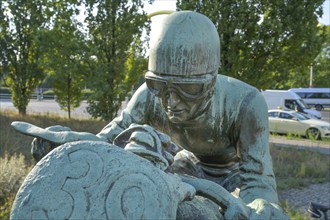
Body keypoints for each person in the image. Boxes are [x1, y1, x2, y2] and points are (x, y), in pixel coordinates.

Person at [22, 10, 288, 219]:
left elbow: (257, 176)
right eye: (159, 85)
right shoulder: (148, 97)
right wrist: (71, 144)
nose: (171, 101)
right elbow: (109, 142)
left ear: (212, 80)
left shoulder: (246, 104)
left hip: (233, 175)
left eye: (189, 89)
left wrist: (260, 204)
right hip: (185, 165)